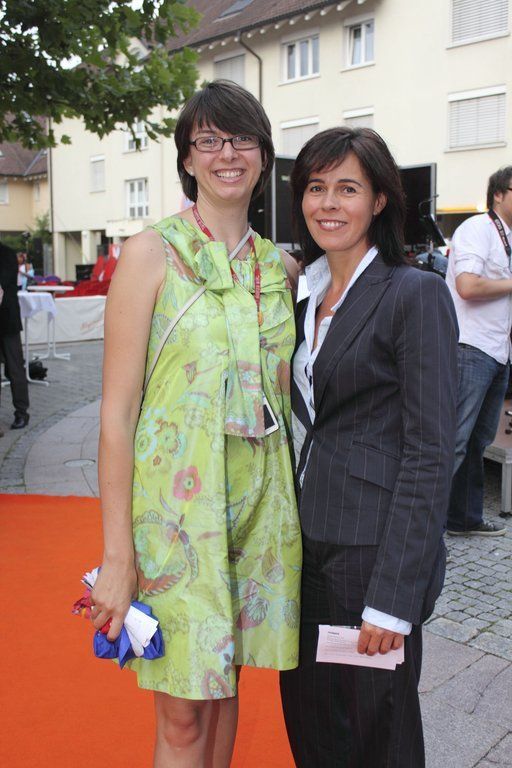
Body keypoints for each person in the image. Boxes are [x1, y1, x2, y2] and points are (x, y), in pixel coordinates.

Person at [89, 80, 302, 768]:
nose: (226, 154)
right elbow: (117, 413)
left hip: (259, 510)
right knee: (181, 714)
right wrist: (117, 557)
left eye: (241, 139)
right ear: (186, 159)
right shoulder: (151, 253)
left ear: (264, 156)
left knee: (225, 685)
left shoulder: (280, 268)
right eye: (208, 141)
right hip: (176, 516)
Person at [279, 127, 458, 768]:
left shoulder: (414, 293)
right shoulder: (304, 293)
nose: (328, 203)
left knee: (378, 731)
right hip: (306, 548)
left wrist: (394, 596)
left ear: (379, 200)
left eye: (347, 188)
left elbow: (430, 451)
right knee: (313, 724)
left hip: (370, 554)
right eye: (316, 187)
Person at [445, 166, 512, 538]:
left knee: (476, 443)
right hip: (469, 348)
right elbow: (468, 286)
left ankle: (463, 519)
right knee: (453, 441)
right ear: (498, 194)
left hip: (497, 351)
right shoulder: (477, 229)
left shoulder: (508, 238)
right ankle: (423, 530)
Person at [0, 241, 30, 431]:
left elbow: (4, 283)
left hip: (7, 322)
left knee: (14, 369)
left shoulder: (6, 254)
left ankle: (21, 412)